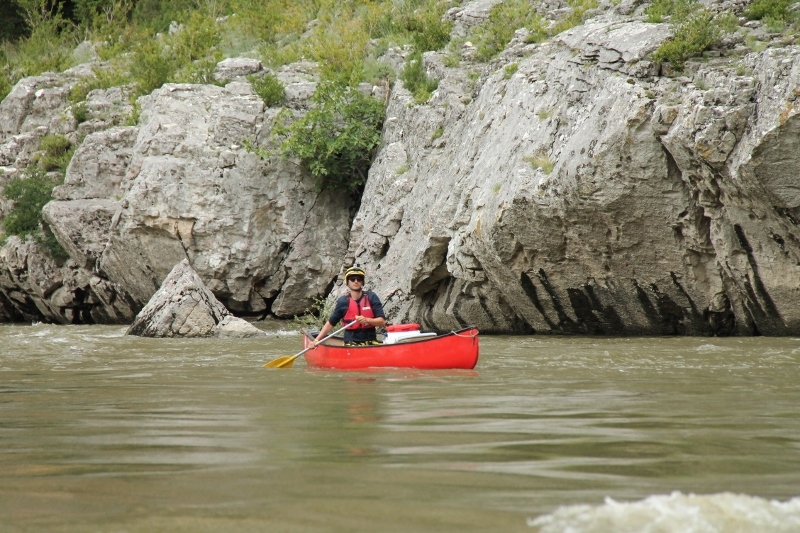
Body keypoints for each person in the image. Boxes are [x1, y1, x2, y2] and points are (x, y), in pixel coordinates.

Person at [314, 266, 386, 347]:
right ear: (347, 282)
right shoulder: (343, 301)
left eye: (359, 279)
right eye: (352, 279)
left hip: (371, 342)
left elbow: (382, 321)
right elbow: (331, 323)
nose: (356, 281)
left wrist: (367, 320)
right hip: (351, 343)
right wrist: (316, 340)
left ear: (362, 282)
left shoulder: (372, 297)